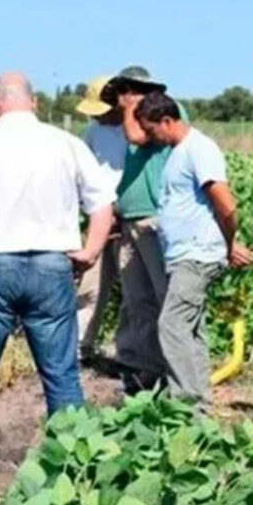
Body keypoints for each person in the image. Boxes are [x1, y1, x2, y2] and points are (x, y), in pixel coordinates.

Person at [0, 71, 115, 488]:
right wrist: (89, 252)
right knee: (61, 375)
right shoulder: (66, 144)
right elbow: (103, 205)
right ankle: (73, 470)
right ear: (34, 103)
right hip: (51, 266)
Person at [134, 91, 253, 411]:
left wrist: (228, 244)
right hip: (184, 254)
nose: (148, 136)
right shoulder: (177, 152)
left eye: (150, 129)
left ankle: (187, 406)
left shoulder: (199, 149)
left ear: (167, 121)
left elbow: (226, 206)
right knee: (191, 330)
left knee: (171, 326)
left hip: (197, 256)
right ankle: (200, 403)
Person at [102, 66, 184, 381]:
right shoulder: (138, 117)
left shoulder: (162, 114)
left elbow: (135, 136)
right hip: (132, 221)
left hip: (153, 218)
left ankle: (172, 366)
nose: (126, 97)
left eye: (132, 90)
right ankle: (144, 366)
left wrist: (128, 108)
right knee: (137, 298)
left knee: (163, 296)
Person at [75, 75, 126, 355]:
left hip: (128, 217)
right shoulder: (93, 132)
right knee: (91, 287)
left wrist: (119, 210)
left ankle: (130, 350)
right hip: (98, 218)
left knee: (135, 291)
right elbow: (83, 174)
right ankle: (80, 345)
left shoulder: (137, 130)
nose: (97, 117)